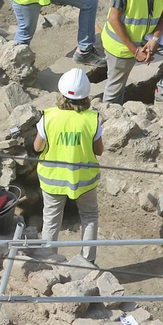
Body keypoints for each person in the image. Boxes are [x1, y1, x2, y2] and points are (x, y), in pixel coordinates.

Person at [34, 68, 102, 263]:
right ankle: (88, 261)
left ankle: (48, 261)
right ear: (86, 96)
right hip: (84, 180)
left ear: (61, 93)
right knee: (89, 216)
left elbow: (38, 147)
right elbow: (99, 151)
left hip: (52, 179)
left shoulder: (49, 116)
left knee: (51, 219)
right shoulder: (92, 119)